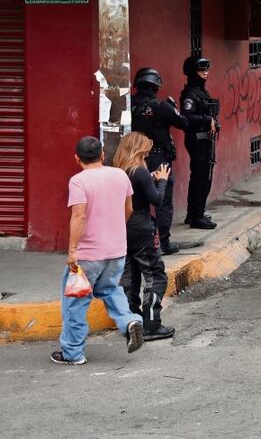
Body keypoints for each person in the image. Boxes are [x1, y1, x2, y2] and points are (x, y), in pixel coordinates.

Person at [53, 137, 143, 365]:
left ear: (77, 158)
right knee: (111, 289)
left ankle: (73, 353)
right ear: (103, 155)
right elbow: (129, 208)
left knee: (75, 303)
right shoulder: (120, 175)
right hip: (117, 251)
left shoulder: (78, 181)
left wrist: (72, 250)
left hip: (89, 255)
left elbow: (79, 215)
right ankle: (129, 321)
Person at [114, 132, 175, 341]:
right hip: (141, 226)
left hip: (123, 227)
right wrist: (162, 181)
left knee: (129, 276)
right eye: (146, 151)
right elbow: (156, 200)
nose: (148, 154)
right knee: (154, 275)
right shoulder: (139, 171)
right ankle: (151, 324)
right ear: (140, 150)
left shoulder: (119, 171)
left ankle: (131, 322)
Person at [130, 67, 187, 255]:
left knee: (136, 200)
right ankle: (162, 243)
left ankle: (140, 241)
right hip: (157, 158)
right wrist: (174, 109)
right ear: (156, 86)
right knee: (163, 202)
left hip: (133, 158)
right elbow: (183, 123)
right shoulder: (160, 106)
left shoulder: (129, 104)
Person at [180, 56, 218, 230]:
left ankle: (194, 213)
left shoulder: (201, 91)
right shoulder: (190, 94)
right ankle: (197, 216)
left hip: (205, 140)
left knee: (200, 178)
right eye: (201, 70)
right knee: (201, 179)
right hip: (197, 141)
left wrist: (213, 121)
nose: (205, 73)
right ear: (192, 72)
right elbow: (186, 117)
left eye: (207, 70)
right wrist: (207, 118)